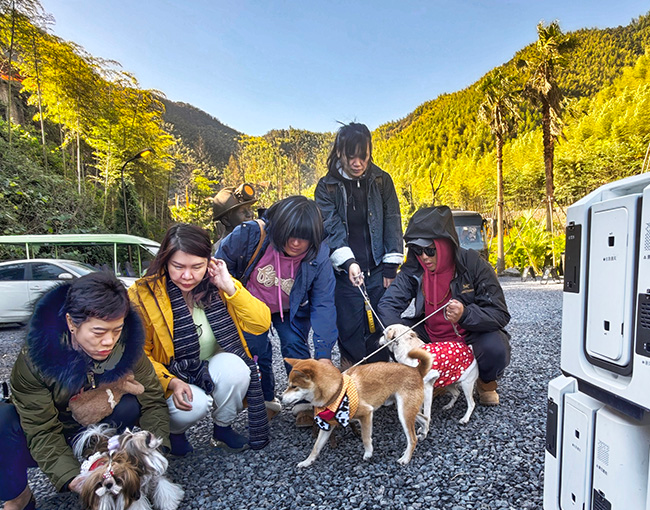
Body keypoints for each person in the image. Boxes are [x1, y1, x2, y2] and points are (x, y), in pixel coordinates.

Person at [0, 272, 170, 510]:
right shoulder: (35, 359)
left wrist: (153, 453)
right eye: (99, 332)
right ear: (71, 323)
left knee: (131, 404)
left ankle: (122, 471)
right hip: (53, 429)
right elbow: (40, 429)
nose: (109, 341)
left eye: (116, 330)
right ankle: (17, 500)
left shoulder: (129, 346)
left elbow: (153, 401)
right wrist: (71, 478)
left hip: (104, 431)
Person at [129, 223, 272, 453]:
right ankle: (174, 432)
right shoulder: (142, 294)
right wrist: (170, 382)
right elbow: (138, 354)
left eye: (197, 267)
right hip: (170, 373)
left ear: (209, 263)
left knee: (238, 369)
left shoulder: (218, 285)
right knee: (195, 405)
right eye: (178, 266)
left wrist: (230, 287)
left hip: (208, 365)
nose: (187, 276)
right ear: (165, 261)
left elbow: (260, 324)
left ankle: (223, 427)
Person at [214, 196, 338, 419]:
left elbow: (324, 304)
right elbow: (219, 268)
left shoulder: (319, 254)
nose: (296, 243)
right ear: (278, 227)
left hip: (291, 309)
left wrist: (324, 354)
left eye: (304, 238)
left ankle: (304, 402)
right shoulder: (250, 235)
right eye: (290, 235)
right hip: (250, 305)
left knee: (295, 344)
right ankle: (265, 399)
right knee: (255, 348)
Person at [377, 205, 511, 405]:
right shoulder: (414, 268)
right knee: (391, 336)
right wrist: (403, 336)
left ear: (445, 245)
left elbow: (499, 313)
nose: (424, 256)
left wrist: (465, 314)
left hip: (468, 335)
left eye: (430, 250)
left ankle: (486, 382)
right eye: (417, 250)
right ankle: (436, 377)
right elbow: (387, 305)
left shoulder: (473, 263)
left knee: (495, 347)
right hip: (430, 336)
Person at [314, 123, 403, 366]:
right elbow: (331, 227)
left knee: (380, 323)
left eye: (363, 156)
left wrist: (390, 267)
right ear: (339, 152)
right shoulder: (326, 186)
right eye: (351, 156)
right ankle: (352, 372)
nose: (357, 163)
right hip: (345, 272)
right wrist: (349, 262)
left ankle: (380, 373)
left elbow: (393, 220)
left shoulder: (382, 180)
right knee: (349, 325)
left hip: (378, 268)